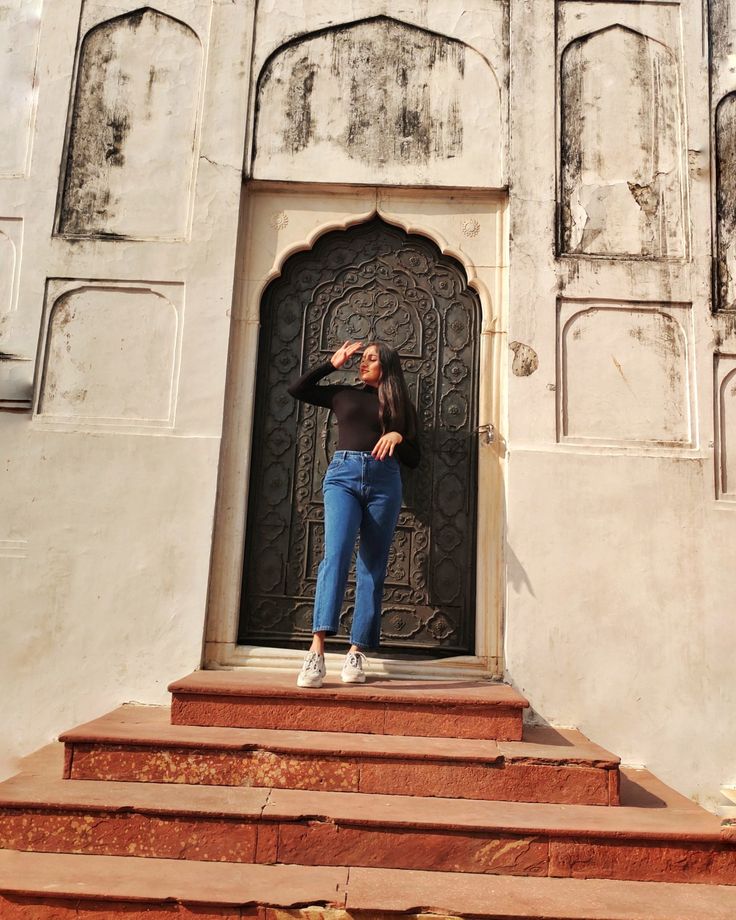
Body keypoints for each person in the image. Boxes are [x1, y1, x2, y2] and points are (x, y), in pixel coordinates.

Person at [287, 340, 420, 688]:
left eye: (371, 359)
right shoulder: (343, 393)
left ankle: (356, 651)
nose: (363, 363)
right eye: (362, 358)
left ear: (386, 366)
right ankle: (316, 651)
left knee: (372, 565)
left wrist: (398, 434)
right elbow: (298, 389)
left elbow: (415, 457)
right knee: (336, 556)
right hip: (343, 477)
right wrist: (332, 363)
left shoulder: (400, 405)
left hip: (384, 481)